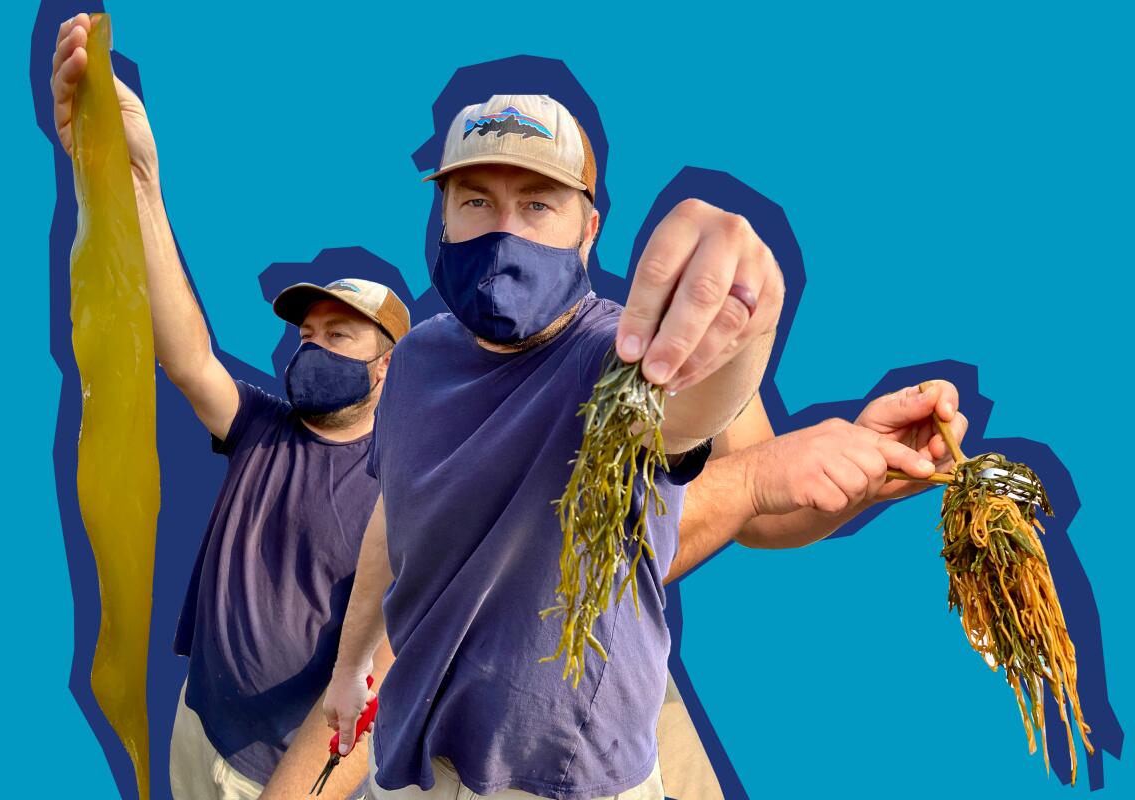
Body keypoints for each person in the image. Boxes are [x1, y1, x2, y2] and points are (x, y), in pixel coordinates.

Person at [322, 95, 965, 800]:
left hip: (568, 778)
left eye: (538, 205)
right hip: (414, 759)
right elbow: (395, 516)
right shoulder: (414, 360)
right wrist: (351, 668)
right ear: (441, 215)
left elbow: (694, 422)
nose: (504, 232)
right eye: (476, 202)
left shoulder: (620, 356)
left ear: (588, 228)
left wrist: (748, 313)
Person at [51, 14, 406, 799]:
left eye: (339, 334)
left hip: (290, 776)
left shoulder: (408, 488)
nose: (309, 349)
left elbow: (387, 677)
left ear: (388, 367)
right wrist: (136, 180)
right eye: (305, 332)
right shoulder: (263, 429)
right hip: (196, 727)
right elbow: (185, 357)